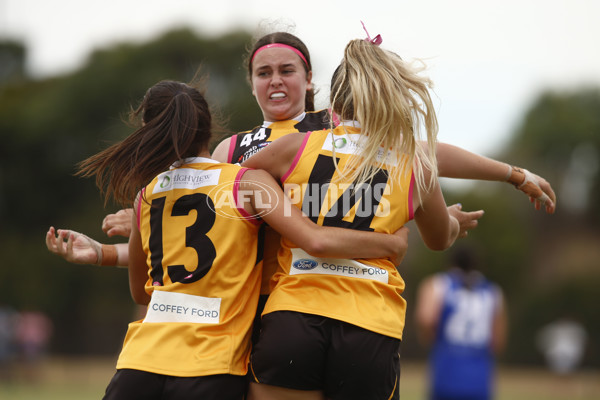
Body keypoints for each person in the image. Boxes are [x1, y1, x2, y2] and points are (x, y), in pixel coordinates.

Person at [58, 79, 414, 400]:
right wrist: (390, 243)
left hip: (139, 363)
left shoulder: (145, 195)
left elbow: (141, 292)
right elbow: (311, 236)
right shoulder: (245, 184)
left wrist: (104, 253)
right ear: (210, 128)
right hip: (211, 366)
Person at [239, 34, 482, 400]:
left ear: (333, 102)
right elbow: (437, 239)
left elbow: (237, 183)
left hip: (292, 317)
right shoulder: (414, 162)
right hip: (369, 327)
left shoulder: (295, 146)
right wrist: (449, 223)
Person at [414, 245, 508, 400]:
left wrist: (430, 338)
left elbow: (425, 319)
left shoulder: (437, 284)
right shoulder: (493, 291)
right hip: (479, 377)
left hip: (446, 372)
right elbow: (498, 341)